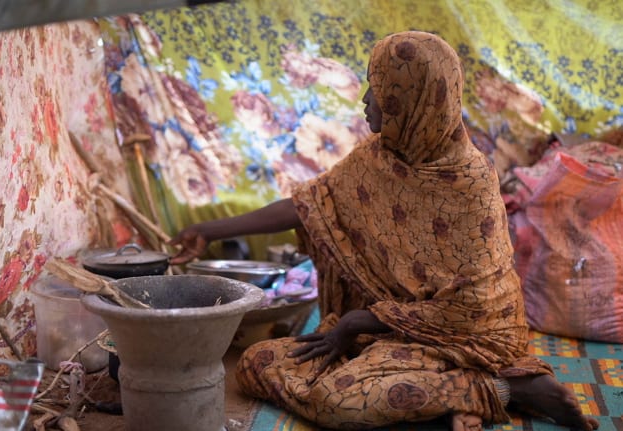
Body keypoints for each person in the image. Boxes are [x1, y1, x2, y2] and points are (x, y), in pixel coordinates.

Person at [169, 31, 599, 431]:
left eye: (379, 87)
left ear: (410, 98)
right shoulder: (378, 156)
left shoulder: (467, 181)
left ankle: (504, 388)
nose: (365, 99)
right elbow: (309, 204)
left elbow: (476, 305)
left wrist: (363, 319)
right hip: (386, 327)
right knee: (255, 363)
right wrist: (208, 230)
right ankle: (441, 396)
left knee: (339, 399)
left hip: (468, 338)